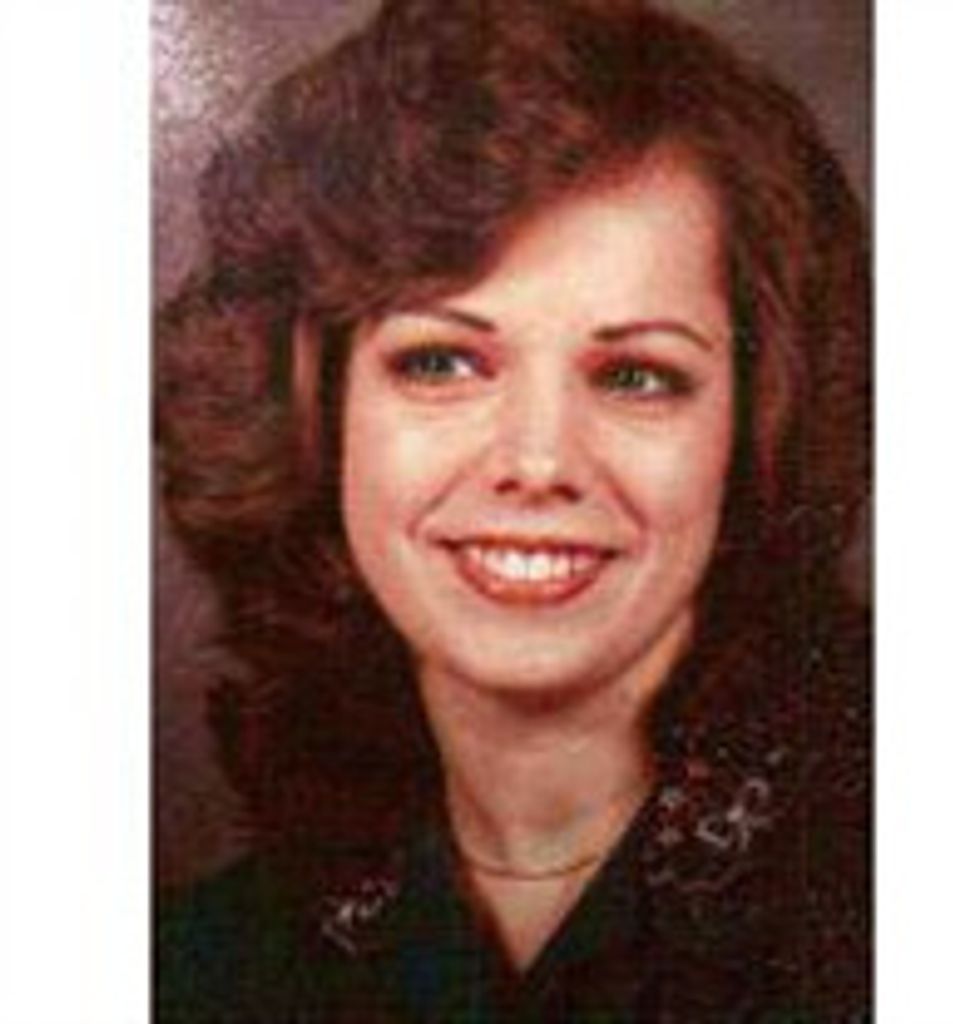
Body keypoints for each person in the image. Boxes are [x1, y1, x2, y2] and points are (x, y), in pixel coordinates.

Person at [156, 0, 870, 1019]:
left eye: (636, 376)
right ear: (314, 412)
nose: (538, 462)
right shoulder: (191, 969)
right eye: (441, 363)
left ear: (759, 423)